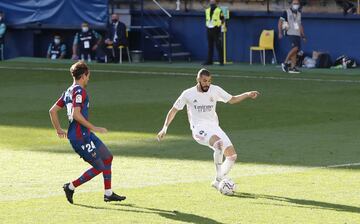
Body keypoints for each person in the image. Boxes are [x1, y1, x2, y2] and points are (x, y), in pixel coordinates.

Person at [157, 68, 260, 190]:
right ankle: (219, 180)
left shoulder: (215, 90)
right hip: (198, 129)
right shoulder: (188, 93)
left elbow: (232, 99)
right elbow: (173, 110)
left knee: (232, 156)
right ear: (198, 80)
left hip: (214, 127)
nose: (207, 84)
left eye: (209, 81)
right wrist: (164, 128)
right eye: (205, 81)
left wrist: (247, 94)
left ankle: (218, 180)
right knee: (218, 144)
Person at [49, 61, 126, 204]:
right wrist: (94, 127)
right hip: (80, 137)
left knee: (108, 158)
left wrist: (59, 129)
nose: (89, 78)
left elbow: (52, 111)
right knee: (99, 166)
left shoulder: (68, 91)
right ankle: (70, 187)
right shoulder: (79, 91)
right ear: (83, 75)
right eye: (88, 75)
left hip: (85, 135)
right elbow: (77, 114)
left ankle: (108, 194)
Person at [278, 0, 306, 74]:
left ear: (299, 5)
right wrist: (280, 32)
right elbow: (280, 22)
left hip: (297, 34)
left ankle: (293, 67)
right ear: (291, 4)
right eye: (294, 3)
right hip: (290, 33)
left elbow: (300, 25)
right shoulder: (286, 12)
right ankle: (285, 63)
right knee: (295, 48)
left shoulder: (299, 14)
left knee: (296, 51)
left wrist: (303, 36)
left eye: (297, 3)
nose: (296, 5)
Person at [203, 0, 224, 66]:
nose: (212, 3)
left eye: (213, 1)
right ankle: (209, 61)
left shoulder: (219, 10)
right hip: (209, 28)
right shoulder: (207, 10)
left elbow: (223, 19)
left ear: (216, 2)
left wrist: (219, 25)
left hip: (216, 29)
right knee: (210, 46)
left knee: (218, 45)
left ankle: (221, 61)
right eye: (211, 1)